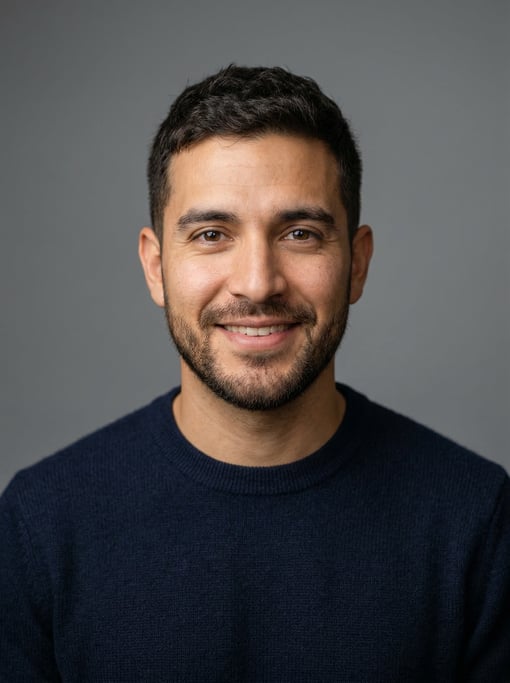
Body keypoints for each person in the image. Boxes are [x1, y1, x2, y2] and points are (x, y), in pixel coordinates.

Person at [1, 65, 509, 682]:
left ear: (357, 263)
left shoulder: (475, 520)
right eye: (212, 234)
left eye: (300, 233)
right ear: (156, 268)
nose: (257, 282)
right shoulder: (41, 525)